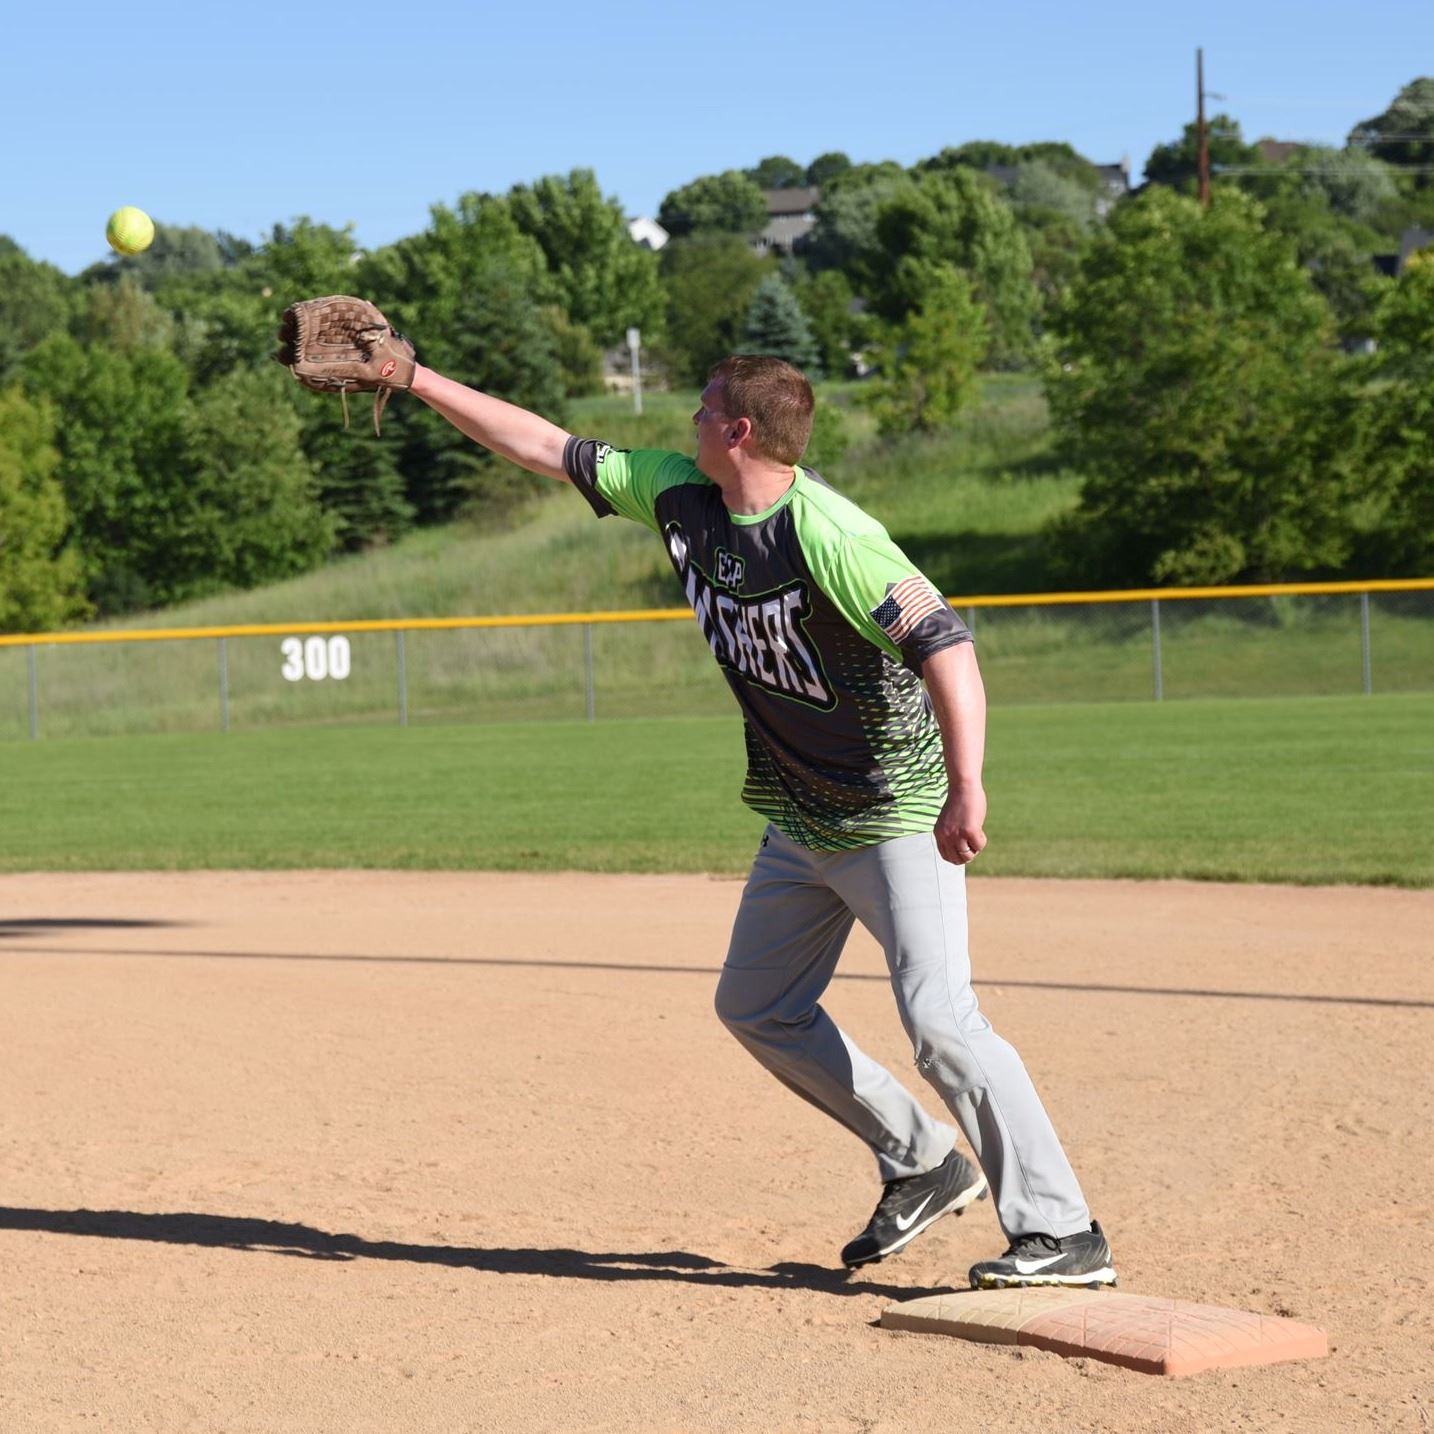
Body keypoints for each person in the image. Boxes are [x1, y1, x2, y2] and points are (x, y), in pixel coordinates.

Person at [287, 322, 1115, 1290]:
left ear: (740, 431)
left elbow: (947, 646)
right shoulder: (684, 496)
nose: (686, 415)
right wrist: (416, 377)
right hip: (797, 812)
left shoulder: (831, 538)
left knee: (940, 1018)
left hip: (893, 807)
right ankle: (923, 1159)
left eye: (703, 404)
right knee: (757, 1006)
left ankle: (1063, 1231)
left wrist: (968, 785)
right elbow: (547, 447)